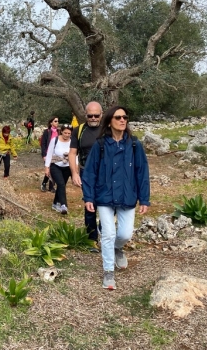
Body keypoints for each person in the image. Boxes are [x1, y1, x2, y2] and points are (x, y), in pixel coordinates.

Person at [82, 106, 150, 290]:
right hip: (104, 196)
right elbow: (89, 173)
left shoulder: (134, 145)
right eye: (118, 117)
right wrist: (89, 197)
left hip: (127, 196)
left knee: (125, 234)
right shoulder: (101, 145)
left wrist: (144, 199)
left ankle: (117, 248)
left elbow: (142, 172)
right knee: (108, 234)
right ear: (110, 121)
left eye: (125, 117)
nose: (123, 120)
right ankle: (108, 273)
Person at [69, 101, 104, 246]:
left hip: (106, 173)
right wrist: (74, 173)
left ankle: (103, 229)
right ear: (86, 115)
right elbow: (72, 153)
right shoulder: (79, 130)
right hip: (86, 172)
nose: (94, 118)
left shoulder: (107, 129)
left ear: (101, 115)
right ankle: (92, 238)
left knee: (108, 203)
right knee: (90, 204)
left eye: (96, 115)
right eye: (91, 115)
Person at [45, 123, 73, 214]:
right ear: (61, 132)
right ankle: (63, 205)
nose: (67, 135)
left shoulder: (72, 141)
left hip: (67, 166)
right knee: (60, 184)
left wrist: (75, 170)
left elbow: (75, 156)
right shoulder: (55, 140)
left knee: (62, 185)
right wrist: (47, 168)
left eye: (69, 133)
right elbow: (49, 154)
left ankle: (55, 203)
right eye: (65, 133)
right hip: (55, 165)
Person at [40, 117, 59, 193]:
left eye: (57, 121)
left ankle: (51, 186)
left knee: (53, 170)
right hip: (48, 154)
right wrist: (44, 155)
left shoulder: (58, 132)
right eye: (55, 121)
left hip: (56, 155)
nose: (57, 122)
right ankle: (44, 183)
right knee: (49, 170)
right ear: (51, 123)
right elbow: (43, 144)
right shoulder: (47, 132)